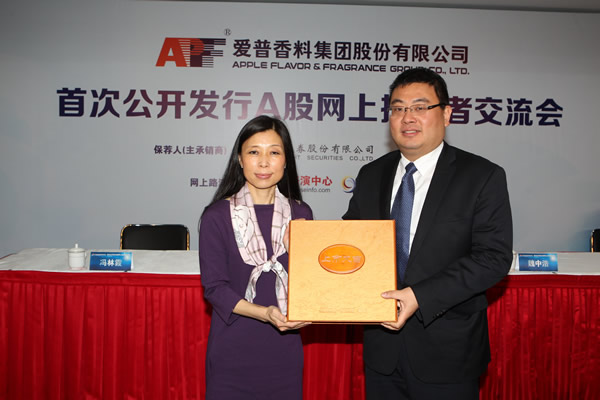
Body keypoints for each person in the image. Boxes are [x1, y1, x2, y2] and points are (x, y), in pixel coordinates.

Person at [343, 67, 513, 399]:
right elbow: (353, 242)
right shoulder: (372, 174)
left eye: (420, 107)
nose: (408, 118)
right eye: (398, 108)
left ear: (446, 114)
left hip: (447, 352)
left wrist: (418, 296)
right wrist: (311, 251)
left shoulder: (481, 176)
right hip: (382, 350)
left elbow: (492, 258)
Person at [198, 115, 313, 399]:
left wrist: (299, 256)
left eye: (274, 152)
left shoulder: (301, 214)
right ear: (240, 159)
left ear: (286, 161)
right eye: (253, 152)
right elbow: (215, 289)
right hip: (233, 348)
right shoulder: (216, 215)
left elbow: (310, 283)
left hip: (284, 350)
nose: (263, 163)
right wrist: (265, 313)